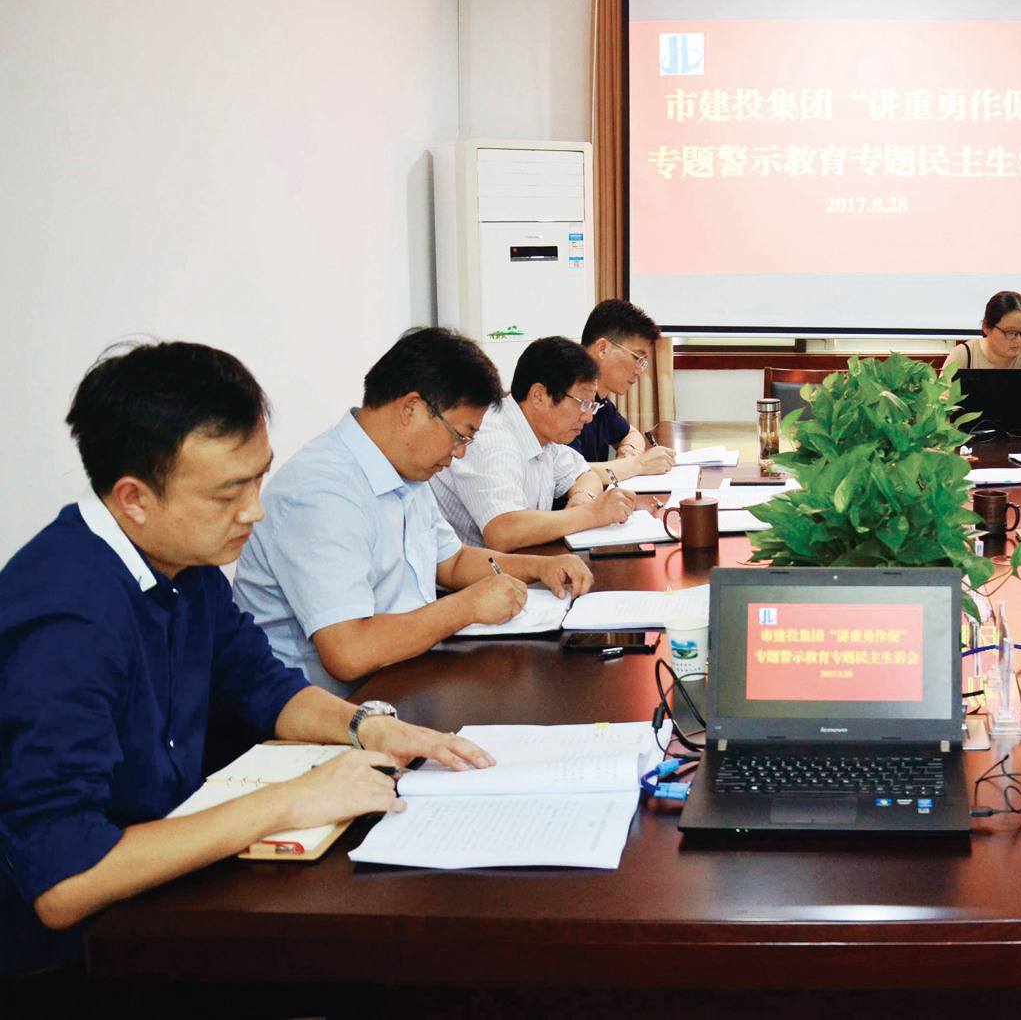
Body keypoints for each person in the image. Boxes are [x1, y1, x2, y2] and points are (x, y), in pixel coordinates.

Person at [0, 342, 491, 987]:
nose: (255, 510)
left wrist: (368, 728)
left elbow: (263, 684)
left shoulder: (184, 561)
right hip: (80, 957)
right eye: (230, 492)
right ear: (134, 498)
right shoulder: (66, 619)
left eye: (258, 479)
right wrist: (287, 802)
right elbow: (64, 882)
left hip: (172, 885)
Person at [234, 327, 594, 698]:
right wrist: (467, 606)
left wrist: (540, 567)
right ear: (412, 409)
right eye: (460, 435)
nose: (461, 452)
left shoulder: (406, 469)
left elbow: (452, 562)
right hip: (331, 709)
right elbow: (350, 652)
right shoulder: (323, 492)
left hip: (404, 676)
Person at [431, 336, 635, 551]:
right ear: (539, 396)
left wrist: (583, 500)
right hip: (473, 570)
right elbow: (503, 532)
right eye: (583, 403)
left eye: (591, 406)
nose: (588, 417)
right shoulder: (492, 438)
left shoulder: (543, 435)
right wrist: (591, 514)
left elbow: (585, 475)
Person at [574, 299, 677, 483]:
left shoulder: (601, 401)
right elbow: (569, 474)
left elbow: (632, 434)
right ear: (602, 348)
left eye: (643, 362)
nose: (639, 370)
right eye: (637, 358)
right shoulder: (567, 397)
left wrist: (628, 453)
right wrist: (638, 464)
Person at [942, 290, 1021, 419]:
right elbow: (941, 403)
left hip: (1020, 430)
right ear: (986, 327)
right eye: (1010, 332)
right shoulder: (963, 354)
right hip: (971, 431)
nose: (1019, 339)